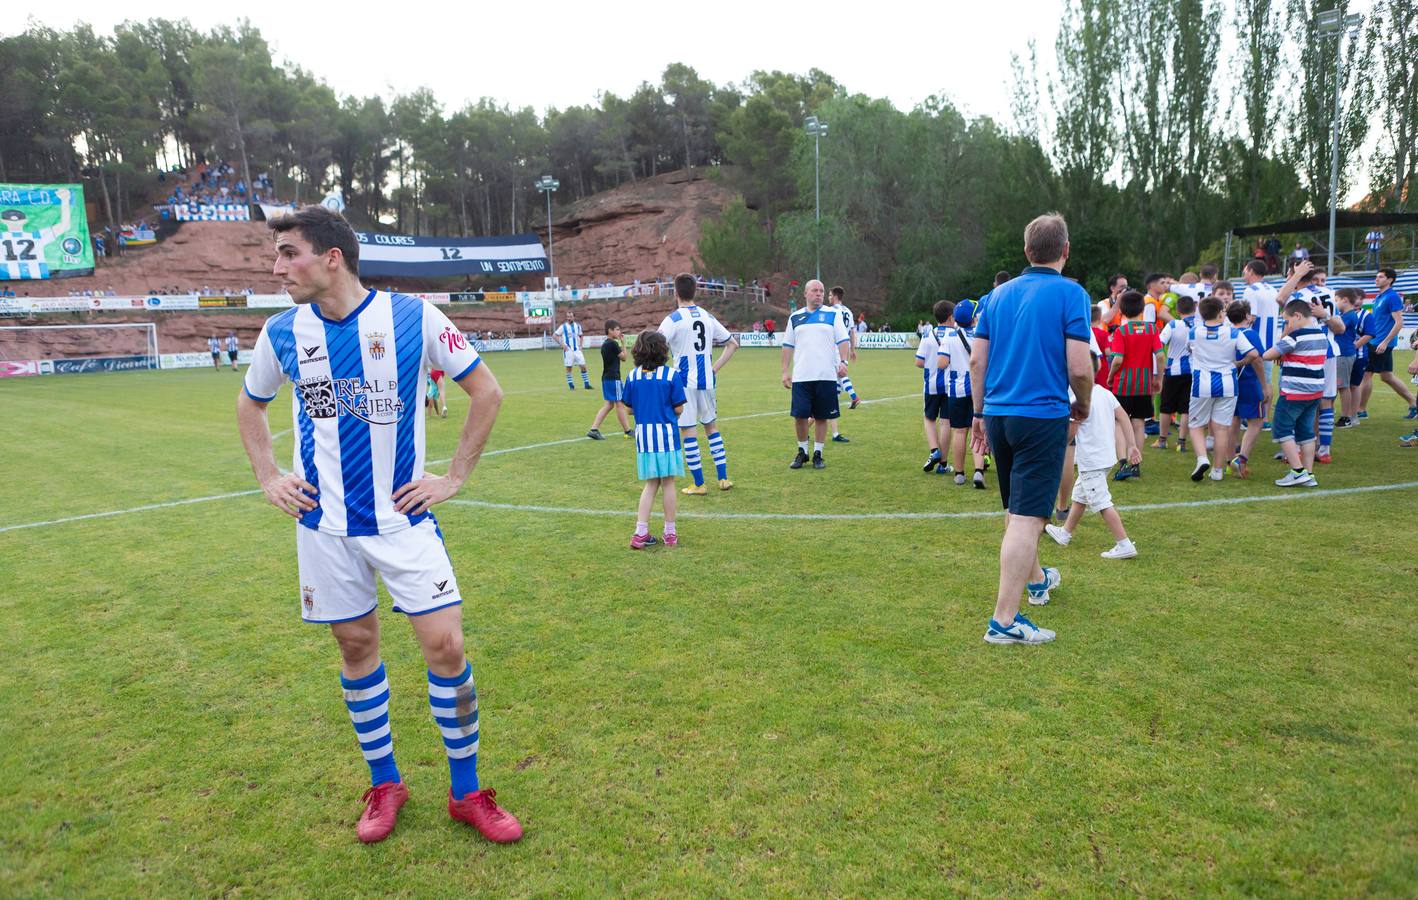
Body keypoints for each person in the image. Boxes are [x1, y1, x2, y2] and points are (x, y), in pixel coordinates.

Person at [234, 205, 521, 845]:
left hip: (403, 521)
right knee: (357, 648)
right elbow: (249, 406)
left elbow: (488, 392)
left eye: (289, 253)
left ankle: (467, 792)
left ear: (331, 256)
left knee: (446, 648)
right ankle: (385, 782)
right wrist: (268, 475)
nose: (277, 266)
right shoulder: (282, 331)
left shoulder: (415, 318)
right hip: (324, 527)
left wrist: (453, 478)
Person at [969, 212, 1094, 645]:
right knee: (1027, 518)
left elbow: (976, 362)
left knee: (1017, 510)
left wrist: (979, 414)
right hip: (1040, 415)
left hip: (1000, 414)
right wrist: (1084, 403)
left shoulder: (996, 296)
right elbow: (1079, 365)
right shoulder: (1071, 293)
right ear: (1065, 250)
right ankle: (1004, 621)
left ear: (1026, 251)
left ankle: (1038, 580)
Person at [658, 273, 739, 493]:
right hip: (707, 381)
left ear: (675, 293)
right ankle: (723, 479)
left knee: (688, 431)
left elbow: (656, 346)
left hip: (683, 384)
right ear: (695, 291)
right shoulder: (707, 316)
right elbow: (732, 344)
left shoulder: (673, 319)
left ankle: (699, 483)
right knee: (711, 427)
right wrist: (713, 368)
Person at [1044, 381, 1140, 558]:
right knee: (1080, 495)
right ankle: (1065, 532)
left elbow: (1071, 434)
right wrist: (1132, 445)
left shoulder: (1076, 400)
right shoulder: (1105, 393)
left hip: (1092, 460)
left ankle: (1124, 543)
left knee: (1101, 502)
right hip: (1106, 457)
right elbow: (1124, 417)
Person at [620, 330, 686, 548]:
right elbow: (679, 408)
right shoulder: (671, 375)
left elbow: (628, 409)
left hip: (645, 439)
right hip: (666, 436)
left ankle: (640, 532)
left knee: (650, 485)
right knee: (668, 483)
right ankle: (670, 533)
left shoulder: (633, 376)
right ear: (662, 350)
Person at [1184, 295, 1259, 482]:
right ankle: (1217, 470)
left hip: (1202, 384)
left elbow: (1189, 349)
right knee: (1221, 428)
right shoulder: (1233, 333)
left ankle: (1202, 458)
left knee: (1195, 425)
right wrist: (1239, 363)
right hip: (1227, 383)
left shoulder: (1194, 332)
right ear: (1219, 313)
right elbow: (1254, 354)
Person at [782, 279, 850, 470]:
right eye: (814, 290)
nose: (819, 294)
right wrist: (785, 371)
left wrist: (843, 361)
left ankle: (818, 453)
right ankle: (802, 452)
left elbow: (843, 340)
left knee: (821, 417)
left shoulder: (832, 314)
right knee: (800, 416)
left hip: (826, 375)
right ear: (805, 294)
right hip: (802, 376)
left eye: (821, 291)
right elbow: (787, 346)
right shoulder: (795, 317)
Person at [1262, 297, 1327, 487]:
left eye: (1288, 321)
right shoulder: (1320, 334)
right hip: (1315, 391)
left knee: (1282, 428)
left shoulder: (1295, 337)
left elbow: (1268, 354)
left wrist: (1285, 334)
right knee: (1306, 432)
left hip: (1294, 391)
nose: (1287, 325)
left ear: (1297, 316)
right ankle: (1308, 473)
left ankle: (1297, 471)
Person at [1107, 291, 1163, 479]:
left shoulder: (1121, 331)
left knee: (1118, 422)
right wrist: (1158, 378)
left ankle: (1123, 463)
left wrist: (1110, 376)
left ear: (1121, 310)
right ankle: (1136, 465)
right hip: (1143, 384)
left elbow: (1117, 360)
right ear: (1142, 309)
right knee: (1139, 423)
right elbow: (1161, 356)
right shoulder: (1152, 329)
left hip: (1122, 384)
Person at [1360, 267, 1418, 420]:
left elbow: (1399, 322)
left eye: (1380, 277)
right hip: (1375, 341)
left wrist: (1385, 342)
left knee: (1366, 374)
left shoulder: (1391, 297)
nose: (1376, 279)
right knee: (1386, 376)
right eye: (1376, 276)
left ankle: (1360, 410)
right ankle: (1414, 404)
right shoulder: (1380, 297)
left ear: (1390, 280)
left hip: (1380, 343)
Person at [940, 300, 987, 488]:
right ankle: (978, 471)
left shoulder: (949, 337)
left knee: (959, 432)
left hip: (956, 389)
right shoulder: (980, 336)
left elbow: (942, 363)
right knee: (979, 432)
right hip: (979, 389)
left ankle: (959, 473)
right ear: (973, 317)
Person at [1225, 300, 1271, 477]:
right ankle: (1241, 459)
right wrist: (1264, 385)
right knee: (1256, 421)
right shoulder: (1250, 334)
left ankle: (1230, 461)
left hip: (1230, 383)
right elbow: (1258, 359)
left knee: (1233, 421)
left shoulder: (1227, 333)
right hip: (1249, 382)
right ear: (1246, 316)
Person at [1154, 295, 1197, 451]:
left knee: (1166, 407)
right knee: (1186, 408)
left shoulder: (1173, 325)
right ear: (1195, 309)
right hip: (1193, 372)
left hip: (1173, 371)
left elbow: (1159, 344)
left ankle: (1162, 440)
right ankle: (1181, 442)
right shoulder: (1201, 325)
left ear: (1178, 310)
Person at [916, 302, 951, 473]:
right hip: (951, 386)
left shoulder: (928, 334)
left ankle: (934, 450)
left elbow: (919, 362)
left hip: (931, 385)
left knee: (929, 418)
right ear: (951, 316)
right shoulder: (955, 335)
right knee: (946, 422)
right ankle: (943, 464)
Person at [587, 319, 632, 440]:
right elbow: (624, 358)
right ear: (610, 330)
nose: (619, 332)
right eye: (617, 329)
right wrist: (623, 343)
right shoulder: (613, 343)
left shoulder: (605, 344)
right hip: (613, 378)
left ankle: (594, 429)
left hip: (606, 378)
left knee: (609, 404)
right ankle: (627, 430)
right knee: (620, 404)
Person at [826, 286, 862, 428]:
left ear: (835, 296)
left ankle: (854, 396)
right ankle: (834, 404)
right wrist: (853, 349)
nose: (828, 298)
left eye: (829, 295)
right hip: (844, 346)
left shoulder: (832, 311)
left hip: (834, 346)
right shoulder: (848, 311)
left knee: (840, 374)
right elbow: (852, 332)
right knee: (837, 378)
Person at [1332, 289, 1363, 426]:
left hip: (1344, 354)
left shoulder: (1350, 316)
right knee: (1338, 385)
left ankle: (1346, 417)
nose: (1335, 303)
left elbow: (1338, 328)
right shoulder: (1346, 314)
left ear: (1345, 300)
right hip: (1341, 353)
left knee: (1343, 386)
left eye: (1337, 300)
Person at [555, 310, 592, 390]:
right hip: (568, 351)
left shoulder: (578, 326)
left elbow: (581, 336)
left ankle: (587, 385)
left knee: (583, 366)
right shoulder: (563, 327)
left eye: (570, 316)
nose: (569, 318)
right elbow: (555, 335)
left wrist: (581, 346)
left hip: (577, 350)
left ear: (573, 317)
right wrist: (562, 345)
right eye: (567, 316)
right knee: (569, 368)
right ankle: (571, 386)